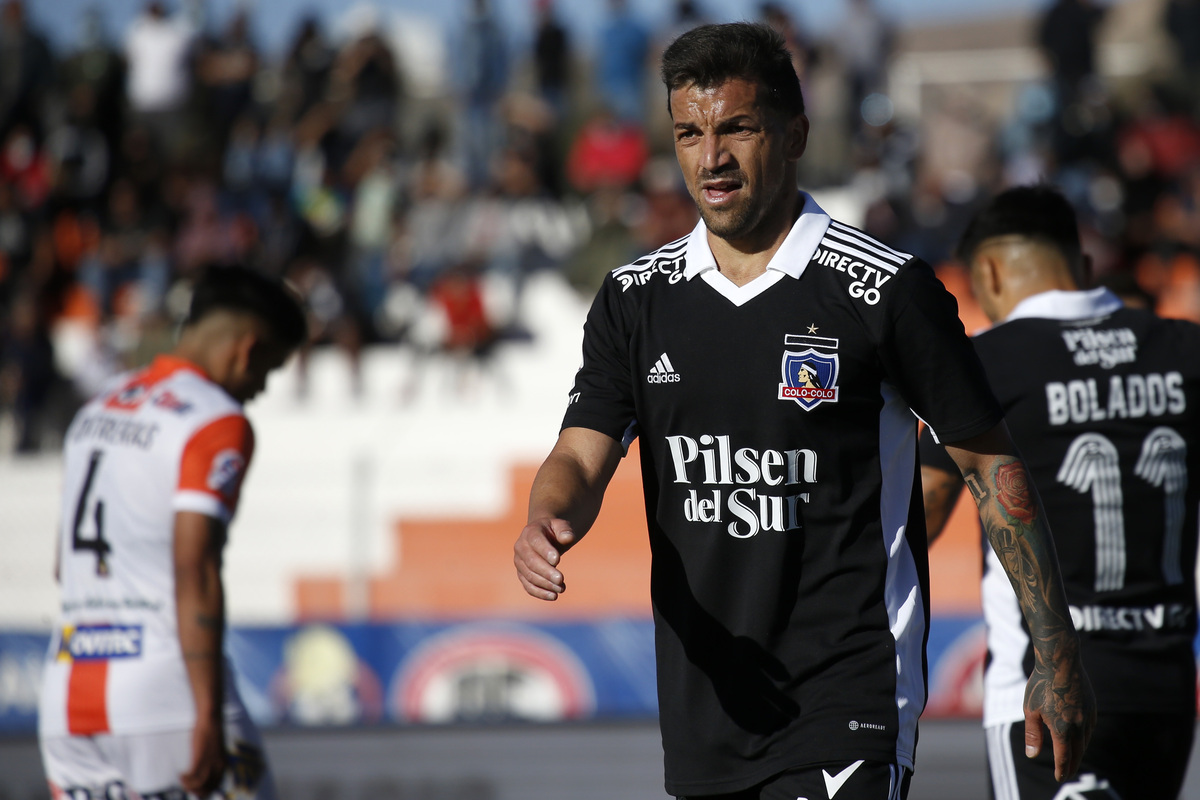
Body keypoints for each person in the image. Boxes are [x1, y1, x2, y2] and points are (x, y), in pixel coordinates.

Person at [513, 22, 1094, 800]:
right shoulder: (634, 299)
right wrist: (545, 518)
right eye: (689, 133)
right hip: (708, 712)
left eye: (736, 129)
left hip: (848, 696)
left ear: (795, 135)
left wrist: (1054, 655)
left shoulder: (883, 289)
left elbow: (990, 469)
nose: (710, 158)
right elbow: (580, 457)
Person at [920, 185, 1200, 800]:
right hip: (1166, 690)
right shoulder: (1185, 351)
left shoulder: (985, 364)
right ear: (1085, 265)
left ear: (988, 272)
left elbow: (918, 517)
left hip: (1046, 685)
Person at [38, 265, 307, 799]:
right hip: (160, 689)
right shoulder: (215, 421)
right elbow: (195, 567)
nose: (259, 390)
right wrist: (206, 712)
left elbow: (58, 565)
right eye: (268, 371)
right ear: (246, 349)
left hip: (67, 691)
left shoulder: (97, 406)